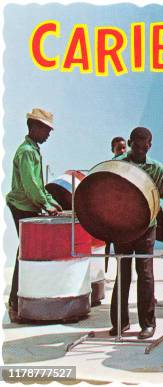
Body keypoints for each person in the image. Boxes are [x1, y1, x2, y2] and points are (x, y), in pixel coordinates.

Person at [110, 127, 163, 339]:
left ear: (150, 146)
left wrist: (156, 205)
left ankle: (147, 323)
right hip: (123, 227)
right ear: (130, 143)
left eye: (145, 147)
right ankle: (120, 322)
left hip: (146, 228)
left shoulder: (156, 168)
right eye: (136, 146)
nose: (140, 150)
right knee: (123, 274)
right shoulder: (119, 164)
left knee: (145, 274)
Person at [6, 108, 62, 323]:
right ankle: (16, 304)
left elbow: (38, 185)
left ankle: (22, 303)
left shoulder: (32, 149)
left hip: (27, 203)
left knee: (27, 254)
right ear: (35, 127)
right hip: (23, 205)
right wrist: (46, 204)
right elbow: (31, 186)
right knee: (27, 255)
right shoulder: (28, 151)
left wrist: (50, 201)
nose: (48, 134)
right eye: (46, 129)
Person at [104, 136, 128, 275]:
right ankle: (104, 273)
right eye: (120, 148)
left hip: (121, 212)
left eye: (124, 148)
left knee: (121, 249)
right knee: (106, 246)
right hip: (109, 211)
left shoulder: (128, 164)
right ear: (113, 150)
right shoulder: (111, 165)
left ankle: (121, 274)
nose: (123, 151)